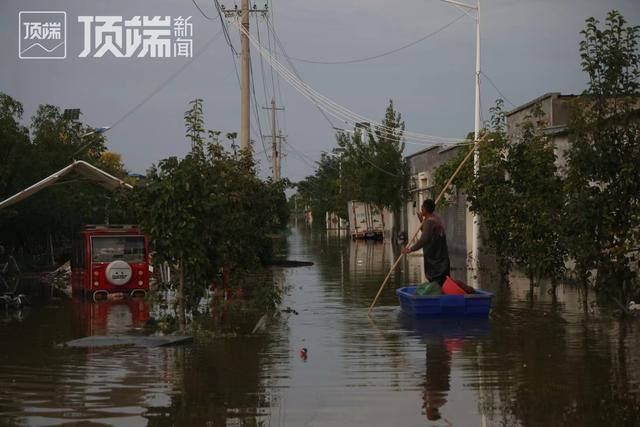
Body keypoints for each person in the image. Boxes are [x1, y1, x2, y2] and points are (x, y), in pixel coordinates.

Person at [401, 199, 450, 286]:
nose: (421, 209)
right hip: (441, 260)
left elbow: (424, 239)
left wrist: (410, 249)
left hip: (437, 263)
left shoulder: (430, 221)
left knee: (439, 284)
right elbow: (427, 232)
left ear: (425, 209)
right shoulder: (435, 218)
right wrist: (421, 220)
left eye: (422, 207)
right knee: (444, 283)